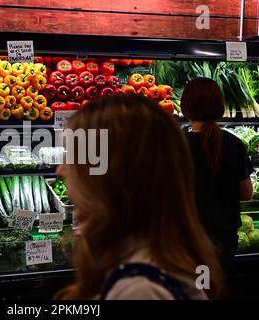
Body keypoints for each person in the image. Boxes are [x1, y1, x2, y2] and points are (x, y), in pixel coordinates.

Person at [55, 94, 222, 300]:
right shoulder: (164, 259)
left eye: (72, 156)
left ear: (112, 177)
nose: (60, 170)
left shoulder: (139, 290)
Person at [181, 78, 254, 272]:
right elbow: (246, 194)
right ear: (220, 107)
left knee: (190, 289)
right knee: (215, 288)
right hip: (223, 238)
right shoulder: (234, 143)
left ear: (185, 108)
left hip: (185, 235)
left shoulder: (175, 143)